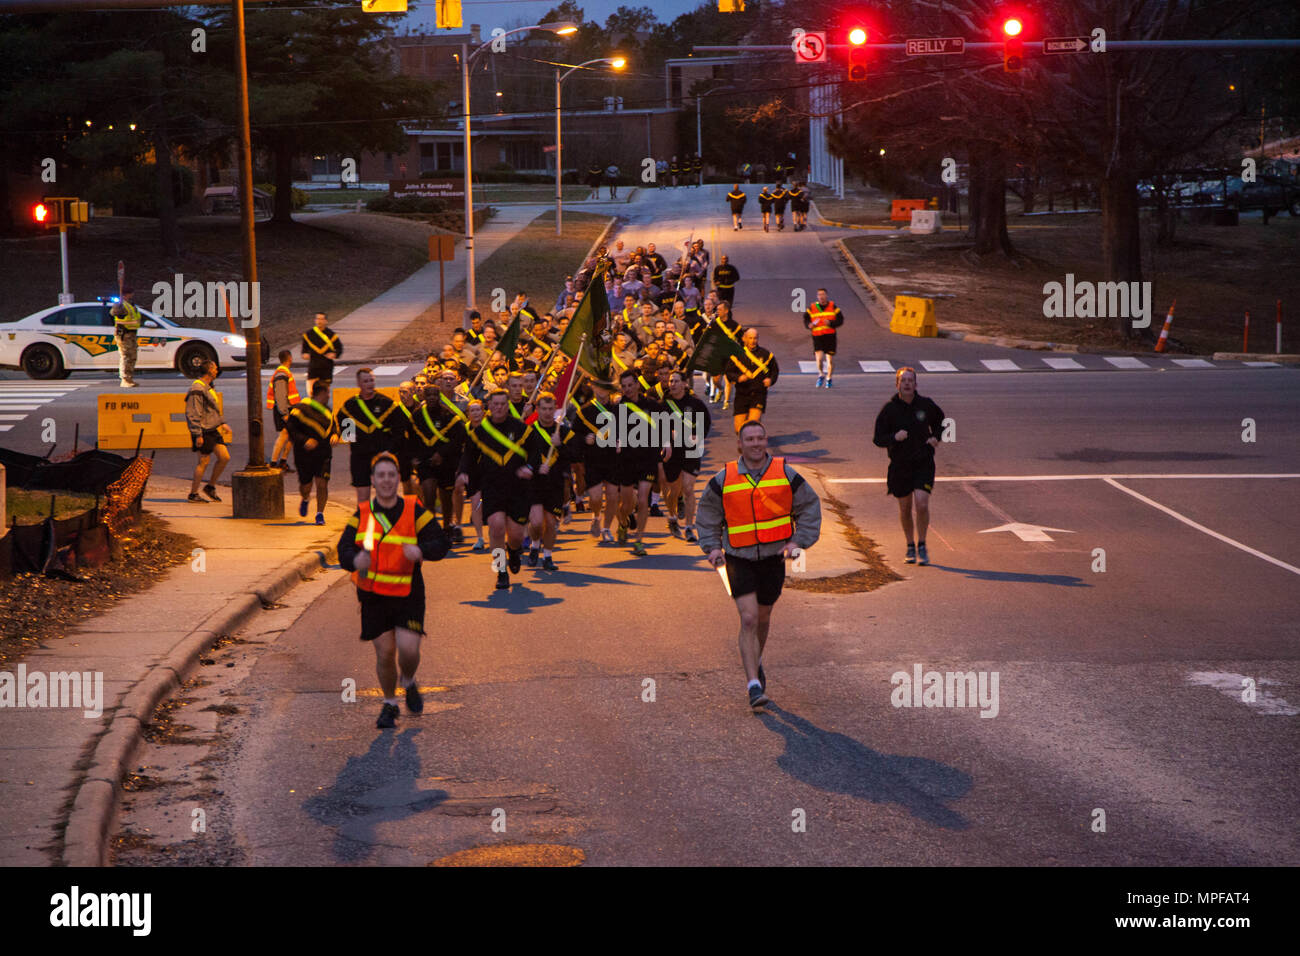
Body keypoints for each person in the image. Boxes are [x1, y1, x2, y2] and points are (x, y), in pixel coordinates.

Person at [696, 420, 821, 712]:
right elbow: (708, 514)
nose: (755, 443)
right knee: (749, 619)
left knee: (763, 617)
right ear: (740, 444)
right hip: (738, 558)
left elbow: (809, 507)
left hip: (773, 558)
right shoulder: (724, 477)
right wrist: (712, 546)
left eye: (760, 438)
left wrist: (798, 542)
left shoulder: (785, 473)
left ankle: (756, 659)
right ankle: (753, 685)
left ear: (766, 441)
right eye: (749, 439)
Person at [337, 452, 450, 729]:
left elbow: (441, 542)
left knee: (408, 650)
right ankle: (389, 704)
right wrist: (355, 560)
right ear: (373, 481)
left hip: (408, 592)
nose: (386, 480)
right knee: (385, 653)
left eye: (391, 475)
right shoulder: (362, 514)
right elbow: (344, 549)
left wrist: (421, 550)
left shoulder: (414, 510)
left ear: (398, 479)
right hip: (373, 595)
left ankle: (408, 680)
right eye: (381, 476)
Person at [456, 389, 533, 590]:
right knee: (497, 527)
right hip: (492, 488)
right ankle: (500, 571)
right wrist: (463, 472)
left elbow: (535, 451)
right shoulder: (480, 431)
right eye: (495, 404)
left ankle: (514, 552)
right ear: (488, 407)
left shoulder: (520, 428)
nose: (498, 407)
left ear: (508, 406)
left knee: (515, 535)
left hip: (517, 489)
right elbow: (468, 456)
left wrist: (530, 468)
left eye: (502, 404)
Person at [872, 367, 944, 567]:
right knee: (905, 508)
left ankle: (922, 544)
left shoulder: (926, 405)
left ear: (916, 384)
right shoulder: (889, 409)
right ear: (897, 385)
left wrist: (936, 438)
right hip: (900, 465)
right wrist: (894, 437)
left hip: (923, 463)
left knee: (921, 504)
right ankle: (910, 545)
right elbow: (877, 439)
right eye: (903, 380)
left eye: (910, 380)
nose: (907, 384)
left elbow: (945, 422)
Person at [613, 369, 669, 557]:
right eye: (624, 386)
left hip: (648, 457)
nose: (628, 389)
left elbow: (664, 424)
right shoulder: (619, 407)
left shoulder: (652, 405)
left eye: (630, 385)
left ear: (638, 384)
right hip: (626, 460)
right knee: (626, 504)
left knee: (643, 500)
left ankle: (638, 540)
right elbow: (613, 432)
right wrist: (617, 443)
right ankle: (623, 523)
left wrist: (667, 443)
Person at [524, 391, 576, 571]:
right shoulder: (529, 430)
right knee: (537, 522)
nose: (547, 412)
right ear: (537, 409)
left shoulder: (564, 431)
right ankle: (534, 545)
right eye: (543, 408)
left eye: (550, 408)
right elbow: (522, 454)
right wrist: (535, 467)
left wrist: (560, 445)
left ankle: (547, 556)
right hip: (534, 483)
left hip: (555, 482)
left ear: (555, 409)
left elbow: (574, 455)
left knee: (551, 522)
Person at [336, 368, 402, 504]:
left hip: (382, 456)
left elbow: (399, 430)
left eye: (371, 380)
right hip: (360, 457)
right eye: (366, 381)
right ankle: (364, 524)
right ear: (359, 383)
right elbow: (345, 427)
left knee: (385, 497)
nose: (370, 384)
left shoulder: (387, 404)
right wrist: (355, 441)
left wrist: (389, 450)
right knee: (363, 499)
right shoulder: (350, 406)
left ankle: (384, 524)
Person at [660, 369, 711, 542]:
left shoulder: (695, 404)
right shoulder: (664, 404)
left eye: (675, 381)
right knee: (673, 490)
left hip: (691, 449)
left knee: (689, 487)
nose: (672, 384)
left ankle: (689, 527)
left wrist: (699, 435)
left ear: (684, 384)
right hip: (672, 451)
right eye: (670, 381)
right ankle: (673, 517)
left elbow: (706, 422)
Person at [286, 380, 339, 524]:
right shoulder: (300, 409)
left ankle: (320, 514)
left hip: (323, 454)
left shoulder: (328, 412)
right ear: (320, 393)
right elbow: (291, 429)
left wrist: (335, 435)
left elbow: (333, 427)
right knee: (306, 486)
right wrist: (304, 440)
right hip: (304, 455)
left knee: (322, 484)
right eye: (327, 392)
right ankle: (305, 498)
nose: (329, 396)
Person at [185, 360, 229, 503]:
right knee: (203, 461)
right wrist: (198, 434)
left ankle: (210, 487)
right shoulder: (197, 388)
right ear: (209, 370)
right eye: (215, 368)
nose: (217, 370)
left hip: (212, 429)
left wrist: (222, 423)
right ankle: (193, 493)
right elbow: (193, 412)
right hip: (203, 430)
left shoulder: (208, 387)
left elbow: (213, 408)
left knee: (224, 457)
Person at [726, 327, 779, 434]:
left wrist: (771, 380)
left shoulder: (766, 355)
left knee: (752, 426)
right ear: (744, 339)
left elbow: (775, 370)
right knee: (739, 429)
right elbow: (729, 372)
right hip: (742, 394)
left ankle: (756, 439)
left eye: (755, 338)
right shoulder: (737, 354)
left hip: (758, 394)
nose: (752, 341)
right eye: (750, 338)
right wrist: (738, 378)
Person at [802, 288, 844, 388]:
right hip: (817, 336)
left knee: (830, 360)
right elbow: (806, 318)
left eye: (823, 294)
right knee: (819, 358)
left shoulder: (833, 307)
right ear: (817, 296)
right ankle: (821, 374)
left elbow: (840, 320)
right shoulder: (812, 307)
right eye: (819, 295)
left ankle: (829, 378)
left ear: (826, 296)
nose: (821, 296)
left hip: (830, 337)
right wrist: (809, 325)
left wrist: (831, 323)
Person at [266, 349, 300, 470]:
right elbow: (280, 396)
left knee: (291, 436)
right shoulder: (282, 374)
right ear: (289, 358)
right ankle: (274, 463)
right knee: (284, 436)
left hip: (288, 408)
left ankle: (283, 461)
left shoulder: (283, 372)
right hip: (283, 410)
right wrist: (284, 413)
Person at [301, 312, 342, 396]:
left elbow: (339, 348)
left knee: (325, 393)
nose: (319, 321)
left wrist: (334, 354)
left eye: (321, 319)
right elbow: (304, 350)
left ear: (326, 321)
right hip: (313, 366)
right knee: (311, 392)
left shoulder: (331, 335)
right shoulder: (309, 335)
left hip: (326, 367)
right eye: (317, 319)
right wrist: (304, 354)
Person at [110, 286, 141, 388]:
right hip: (123, 333)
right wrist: (118, 307)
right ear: (125, 294)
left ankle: (129, 378)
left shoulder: (130, 305)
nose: (132, 295)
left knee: (132, 356)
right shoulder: (120, 305)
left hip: (132, 333)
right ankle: (125, 379)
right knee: (126, 356)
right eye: (130, 293)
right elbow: (114, 313)